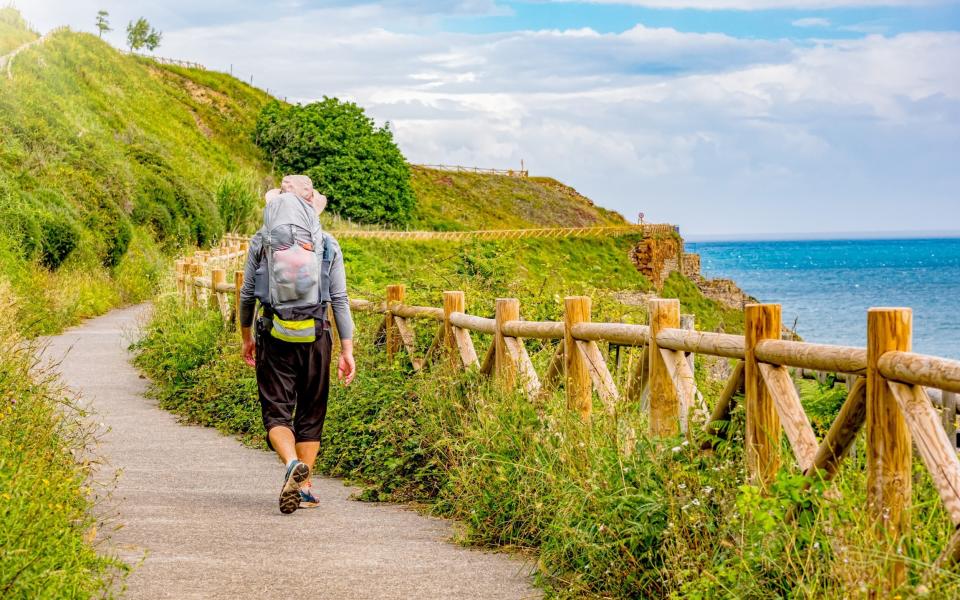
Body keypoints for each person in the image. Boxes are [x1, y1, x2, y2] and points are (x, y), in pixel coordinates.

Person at [238, 175, 356, 514]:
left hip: (273, 332)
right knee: (311, 410)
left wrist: (246, 337)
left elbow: (247, 294)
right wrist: (347, 350)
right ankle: (304, 487)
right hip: (317, 334)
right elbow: (339, 299)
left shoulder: (262, 241)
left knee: (277, 410)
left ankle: (291, 463)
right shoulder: (328, 243)